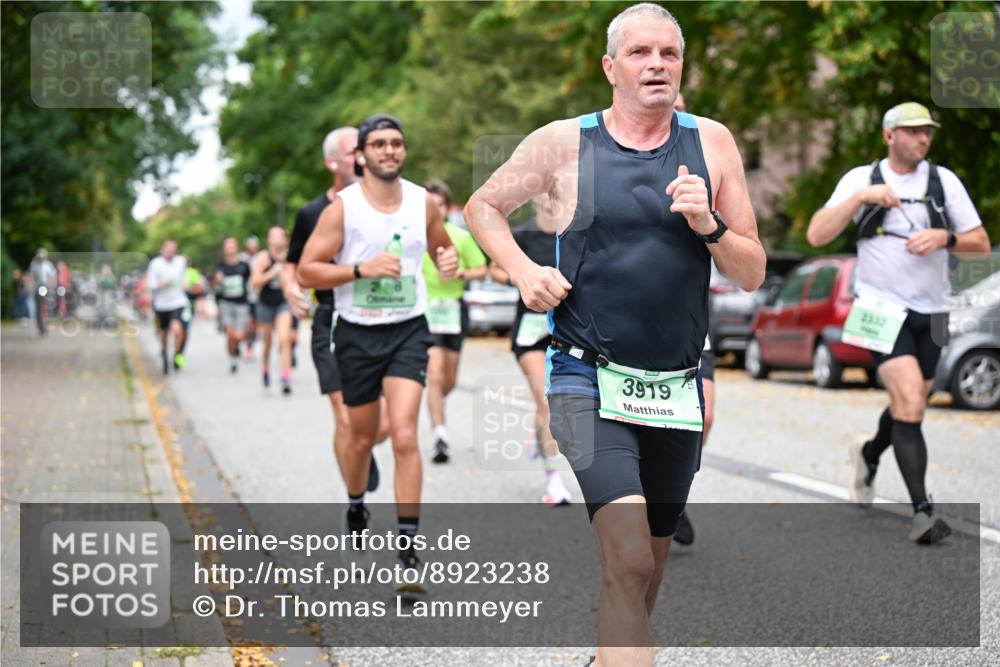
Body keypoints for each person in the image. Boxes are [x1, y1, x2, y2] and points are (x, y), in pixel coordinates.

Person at [464, 5, 765, 663]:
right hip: (583, 375)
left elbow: (750, 269)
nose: (656, 64)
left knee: (647, 565)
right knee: (628, 556)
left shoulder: (711, 143)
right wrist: (522, 270)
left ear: (681, 65)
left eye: (668, 53)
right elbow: (482, 205)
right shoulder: (563, 143)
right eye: (640, 53)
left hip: (674, 387)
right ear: (610, 67)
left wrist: (709, 224)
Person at [807, 101, 990, 544]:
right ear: (889, 135)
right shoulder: (860, 179)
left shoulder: (943, 182)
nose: (923, 139)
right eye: (913, 131)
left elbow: (981, 244)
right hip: (876, 307)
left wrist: (945, 237)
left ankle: (869, 452)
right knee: (909, 399)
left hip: (933, 310)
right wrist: (859, 199)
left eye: (927, 132)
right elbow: (816, 234)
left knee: (913, 402)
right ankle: (923, 512)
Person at [299, 113, 459, 589]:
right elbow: (308, 270)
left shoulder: (422, 201)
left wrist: (446, 259)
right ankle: (355, 500)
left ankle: (407, 547)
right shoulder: (342, 210)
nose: (390, 151)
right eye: (380, 144)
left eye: (397, 143)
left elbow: (442, 248)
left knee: (406, 435)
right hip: (356, 333)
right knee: (361, 437)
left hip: (408, 329)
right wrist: (360, 271)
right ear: (361, 155)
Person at [284, 126, 386, 493]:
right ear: (332, 162)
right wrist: (291, 288)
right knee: (345, 419)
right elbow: (292, 263)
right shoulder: (312, 213)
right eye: (351, 151)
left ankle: (361, 446)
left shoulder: (386, 203)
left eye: (364, 148)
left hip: (382, 320)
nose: (361, 156)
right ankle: (355, 508)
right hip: (331, 322)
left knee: (382, 426)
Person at [489, 193, 573, 506]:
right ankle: (554, 483)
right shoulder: (522, 233)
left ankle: (540, 428)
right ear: (535, 196)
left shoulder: (573, 231)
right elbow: (495, 270)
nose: (551, 196)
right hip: (530, 332)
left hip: (566, 331)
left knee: (557, 406)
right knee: (547, 400)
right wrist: (523, 278)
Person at [421, 178, 488, 464]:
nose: (434, 211)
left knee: (448, 379)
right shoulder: (413, 235)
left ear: (446, 208)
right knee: (433, 374)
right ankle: (440, 434)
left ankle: (437, 400)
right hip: (424, 310)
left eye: (438, 205)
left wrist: (459, 274)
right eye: (429, 206)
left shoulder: (459, 237)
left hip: (453, 311)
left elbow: (482, 269)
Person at [671, 92, 713, 547]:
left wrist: (708, 221)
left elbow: (750, 258)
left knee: (704, 415)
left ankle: (672, 495)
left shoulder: (712, 151)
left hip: (698, 312)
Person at [252, 226, 296, 394]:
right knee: (268, 342)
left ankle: (285, 377)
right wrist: (272, 272)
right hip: (265, 304)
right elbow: (255, 282)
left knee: (285, 339)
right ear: (268, 240)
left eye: (280, 236)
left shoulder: (290, 258)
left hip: (283, 303)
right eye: (273, 236)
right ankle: (266, 370)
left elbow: (293, 282)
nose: (277, 239)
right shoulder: (264, 257)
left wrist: (286, 278)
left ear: (286, 239)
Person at [146, 240, 188, 374]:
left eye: (173, 250)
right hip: (161, 304)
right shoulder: (155, 264)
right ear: (162, 250)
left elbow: (183, 279)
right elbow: (151, 284)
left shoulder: (180, 262)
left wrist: (185, 285)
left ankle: (176, 354)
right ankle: (164, 352)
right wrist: (162, 283)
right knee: (164, 332)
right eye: (168, 249)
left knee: (177, 329)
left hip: (177, 302)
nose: (170, 252)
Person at [214, 237, 252, 374]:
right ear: (224, 249)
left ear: (236, 247)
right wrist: (218, 281)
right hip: (226, 303)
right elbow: (216, 288)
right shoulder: (220, 266)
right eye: (227, 246)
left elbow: (250, 283)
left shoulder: (244, 265)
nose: (230, 249)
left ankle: (238, 347)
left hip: (241, 304)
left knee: (240, 335)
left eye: (232, 246)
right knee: (230, 333)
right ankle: (233, 359)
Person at [177, 262, 206, 363]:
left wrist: (188, 289)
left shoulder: (192, 272)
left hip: (187, 307)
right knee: (176, 330)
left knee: (184, 332)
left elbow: (199, 289)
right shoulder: (171, 272)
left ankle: (179, 353)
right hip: (171, 307)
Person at [242, 235, 261, 359]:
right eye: (250, 246)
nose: (252, 248)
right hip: (244, 297)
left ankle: (250, 346)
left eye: (254, 246)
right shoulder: (242, 258)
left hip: (257, 296)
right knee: (247, 323)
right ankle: (245, 344)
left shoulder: (261, 258)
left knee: (253, 325)